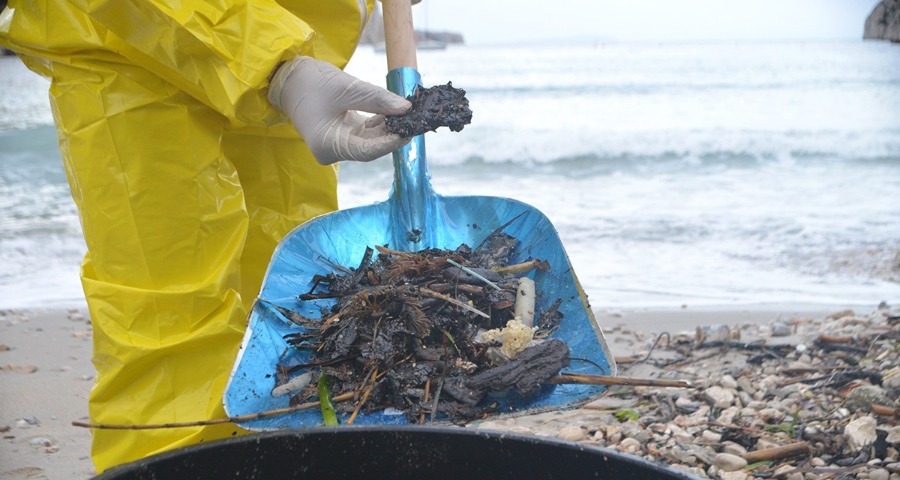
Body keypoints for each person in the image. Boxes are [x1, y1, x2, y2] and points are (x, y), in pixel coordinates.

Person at [0, 0, 411, 472]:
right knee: (173, 325)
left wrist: (282, 66)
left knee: (292, 315)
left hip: (296, 43)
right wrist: (273, 63)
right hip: (126, 47)